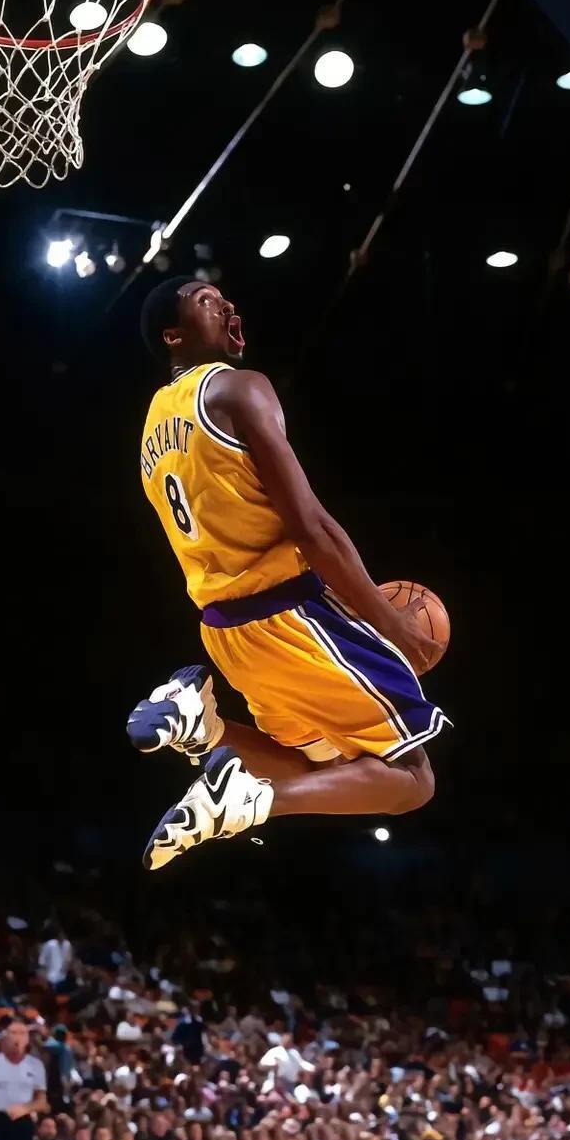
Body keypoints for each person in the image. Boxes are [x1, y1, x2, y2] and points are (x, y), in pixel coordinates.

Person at [128, 277, 448, 871]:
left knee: (326, 764)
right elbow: (312, 528)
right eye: (205, 300)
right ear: (173, 336)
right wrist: (392, 626)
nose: (226, 303)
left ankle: (205, 728)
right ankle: (249, 801)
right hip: (289, 611)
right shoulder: (238, 388)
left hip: (225, 630)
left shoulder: (152, 425)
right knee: (412, 778)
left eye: (224, 297)